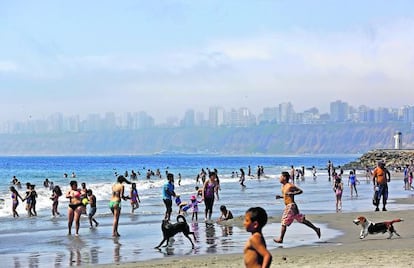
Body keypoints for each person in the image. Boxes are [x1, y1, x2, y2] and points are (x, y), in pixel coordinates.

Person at [274, 171, 321, 243]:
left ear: (284, 177)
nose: (279, 178)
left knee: (284, 221)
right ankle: (316, 229)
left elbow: (300, 191)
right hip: (292, 207)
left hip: (291, 206)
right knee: (301, 220)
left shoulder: (290, 186)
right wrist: (280, 197)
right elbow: (286, 196)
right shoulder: (283, 187)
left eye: (280, 177)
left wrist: (292, 193)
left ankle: (281, 239)